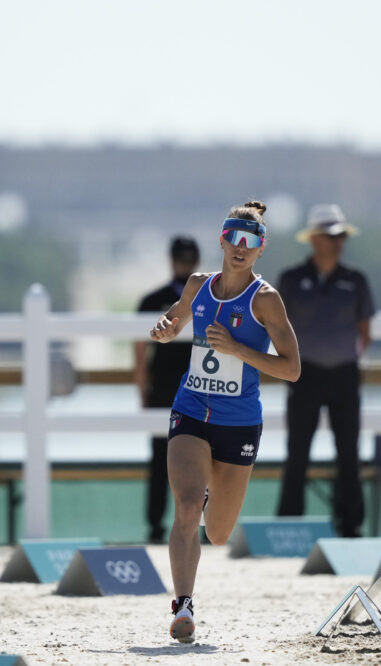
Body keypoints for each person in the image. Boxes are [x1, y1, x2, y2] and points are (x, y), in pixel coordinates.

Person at [149, 200, 300, 643]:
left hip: (238, 423)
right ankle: (183, 606)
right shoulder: (199, 284)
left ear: (260, 250)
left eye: (250, 242)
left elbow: (292, 369)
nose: (240, 247)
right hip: (191, 408)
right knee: (187, 504)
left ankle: (212, 486)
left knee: (217, 532)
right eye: (233, 238)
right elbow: (175, 319)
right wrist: (164, 327)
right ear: (221, 240)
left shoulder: (266, 299)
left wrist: (238, 350)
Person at [275, 203, 375, 538]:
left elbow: (365, 331)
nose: (339, 242)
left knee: (349, 451)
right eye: (333, 236)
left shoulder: (356, 280)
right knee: (297, 450)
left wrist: (343, 354)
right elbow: (275, 326)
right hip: (304, 375)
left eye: (342, 236)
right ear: (315, 239)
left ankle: (351, 525)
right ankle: (289, 525)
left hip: (344, 373)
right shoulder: (290, 280)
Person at [134, 236, 201, 544]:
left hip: (195, 384)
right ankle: (156, 525)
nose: (185, 264)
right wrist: (142, 390)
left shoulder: (206, 297)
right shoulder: (152, 301)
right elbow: (138, 351)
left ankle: (200, 525)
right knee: (160, 458)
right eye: (182, 258)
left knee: (200, 458)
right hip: (164, 387)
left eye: (189, 259)